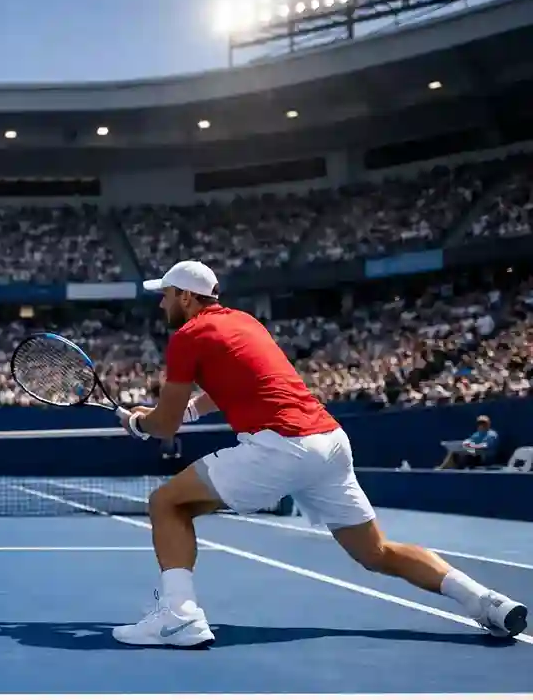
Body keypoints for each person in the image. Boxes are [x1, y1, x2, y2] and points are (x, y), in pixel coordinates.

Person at [110, 260, 527, 648]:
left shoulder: (188, 336)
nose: (161, 303)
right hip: (329, 443)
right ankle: (485, 601)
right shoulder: (244, 323)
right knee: (376, 552)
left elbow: (163, 426)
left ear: (186, 296)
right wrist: (187, 410)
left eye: (166, 294)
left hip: (281, 446)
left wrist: (139, 424)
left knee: (167, 504)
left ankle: (179, 616)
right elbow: (237, 386)